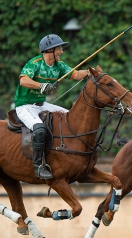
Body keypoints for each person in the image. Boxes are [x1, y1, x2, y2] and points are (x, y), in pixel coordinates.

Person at [14, 34, 89, 179]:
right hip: (25, 106)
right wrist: (41, 86)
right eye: (59, 48)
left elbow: (76, 75)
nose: (61, 51)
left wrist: (90, 72)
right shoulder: (35, 63)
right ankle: (39, 166)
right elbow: (23, 81)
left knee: (71, 118)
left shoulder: (59, 66)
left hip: (42, 105)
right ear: (50, 50)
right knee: (39, 129)